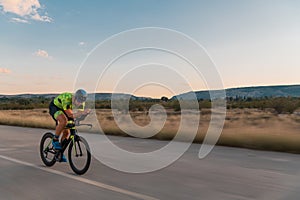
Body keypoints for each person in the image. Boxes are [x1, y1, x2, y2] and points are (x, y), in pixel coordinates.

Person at [49, 89, 90, 162]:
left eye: (81, 102)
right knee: (63, 121)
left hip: (65, 110)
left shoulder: (81, 103)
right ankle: (55, 139)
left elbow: (78, 115)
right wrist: (82, 113)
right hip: (55, 107)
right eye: (78, 101)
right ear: (75, 97)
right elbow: (70, 115)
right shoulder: (67, 99)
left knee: (67, 132)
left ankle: (59, 153)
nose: (79, 103)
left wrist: (83, 115)